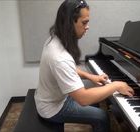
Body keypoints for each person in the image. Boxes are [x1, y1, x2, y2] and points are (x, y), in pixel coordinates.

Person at [34, 0, 134, 132]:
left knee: (98, 100)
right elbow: (83, 99)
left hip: (50, 98)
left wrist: (91, 77)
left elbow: (68, 69)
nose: (87, 27)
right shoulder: (60, 57)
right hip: (52, 108)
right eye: (84, 22)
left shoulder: (54, 39)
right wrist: (116, 85)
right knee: (101, 116)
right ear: (70, 23)